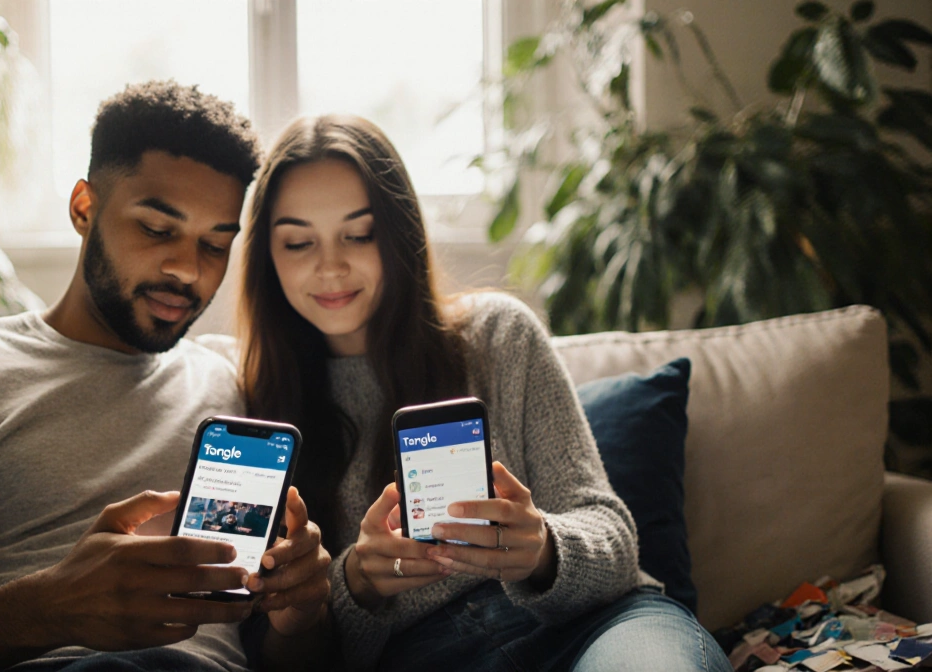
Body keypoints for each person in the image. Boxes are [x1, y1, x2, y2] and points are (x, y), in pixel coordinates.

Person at [0, 81, 332, 672]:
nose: (187, 270)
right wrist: (51, 608)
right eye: (158, 230)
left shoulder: (235, 388)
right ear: (84, 208)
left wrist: (301, 616)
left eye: (215, 245)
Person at [237, 115, 732, 671]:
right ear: (267, 256)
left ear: (399, 235)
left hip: (596, 629)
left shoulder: (498, 335)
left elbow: (611, 535)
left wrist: (542, 548)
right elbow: (273, 651)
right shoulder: (257, 410)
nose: (330, 266)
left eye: (359, 234)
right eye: (299, 242)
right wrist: (357, 582)